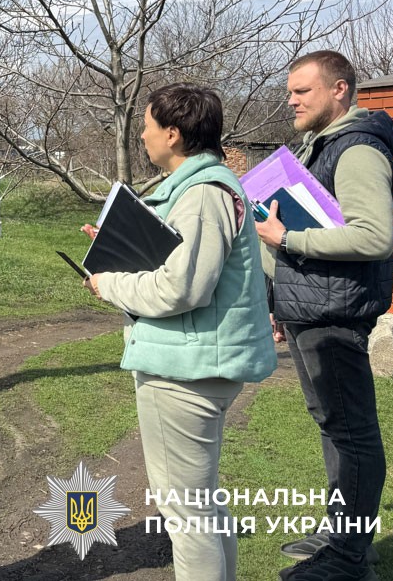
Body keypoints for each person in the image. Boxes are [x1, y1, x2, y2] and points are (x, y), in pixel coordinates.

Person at [84, 84, 277, 581]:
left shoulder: (202, 195)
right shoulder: (207, 190)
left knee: (186, 515)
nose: (142, 137)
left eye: (146, 127)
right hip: (194, 361)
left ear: (173, 134)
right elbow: (183, 262)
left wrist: (110, 283)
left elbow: (182, 288)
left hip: (185, 372)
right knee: (202, 506)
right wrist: (124, 244)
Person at [255, 50, 393, 581]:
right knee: (335, 427)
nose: (291, 99)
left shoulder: (357, 149)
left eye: (302, 91)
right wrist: (277, 301)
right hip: (312, 307)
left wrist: (286, 236)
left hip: (335, 313)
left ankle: (347, 559)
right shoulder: (320, 148)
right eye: (290, 91)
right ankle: (346, 533)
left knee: (351, 432)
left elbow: (373, 235)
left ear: (339, 90)